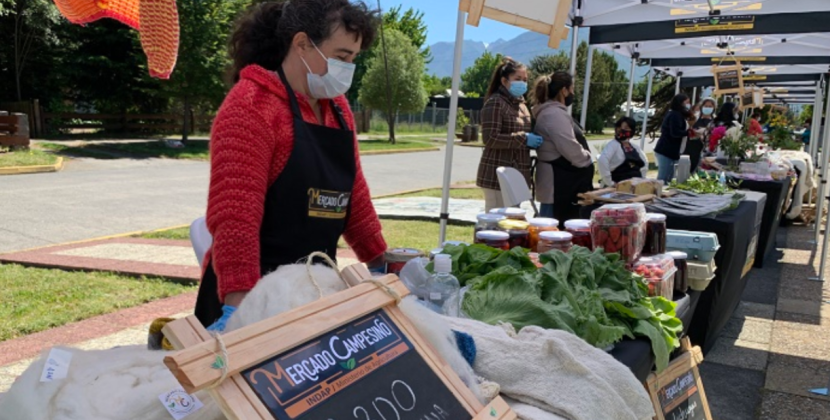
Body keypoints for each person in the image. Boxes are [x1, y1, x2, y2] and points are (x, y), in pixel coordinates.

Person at [195, 0, 387, 331]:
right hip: (252, 295)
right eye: (341, 57)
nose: (348, 68)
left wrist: (385, 263)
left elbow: (355, 200)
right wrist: (240, 309)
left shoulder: (338, 111)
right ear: (301, 44)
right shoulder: (250, 107)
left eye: (353, 59)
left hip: (311, 291)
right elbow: (234, 218)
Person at [476, 57, 538, 211]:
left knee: (512, 225)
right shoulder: (496, 102)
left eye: (525, 79)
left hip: (517, 175)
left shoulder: (522, 105)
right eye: (518, 79)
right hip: (497, 176)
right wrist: (523, 138)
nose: (523, 83)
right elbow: (490, 138)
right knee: (496, 225)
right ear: (504, 81)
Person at [532, 71, 594, 224]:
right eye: (572, 89)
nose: (573, 93)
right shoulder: (553, 114)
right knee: (552, 230)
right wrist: (587, 158)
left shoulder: (552, 112)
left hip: (560, 183)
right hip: (557, 185)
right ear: (564, 90)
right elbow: (569, 147)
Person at [598, 116, 648, 187]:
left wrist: (642, 180)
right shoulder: (613, 145)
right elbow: (602, 160)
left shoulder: (635, 147)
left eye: (626, 128)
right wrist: (609, 182)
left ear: (631, 131)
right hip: (618, 187)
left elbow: (644, 164)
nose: (621, 130)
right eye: (619, 127)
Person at [654, 94, 693, 183]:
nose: (689, 105)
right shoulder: (675, 115)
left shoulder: (677, 114)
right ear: (681, 103)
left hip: (671, 151)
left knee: (669, 178)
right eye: (687, 102)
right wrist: (689, 133)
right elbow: (675, 132)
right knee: (663, 179)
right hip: (666, 151)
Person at [688, 97, 717, 171]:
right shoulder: (694, 118)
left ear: (714, 108)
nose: (707, 108)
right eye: (706, 106)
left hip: (706, 150)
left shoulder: (715, 121)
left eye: (710, 106)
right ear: (701, 107)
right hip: (691, 148)